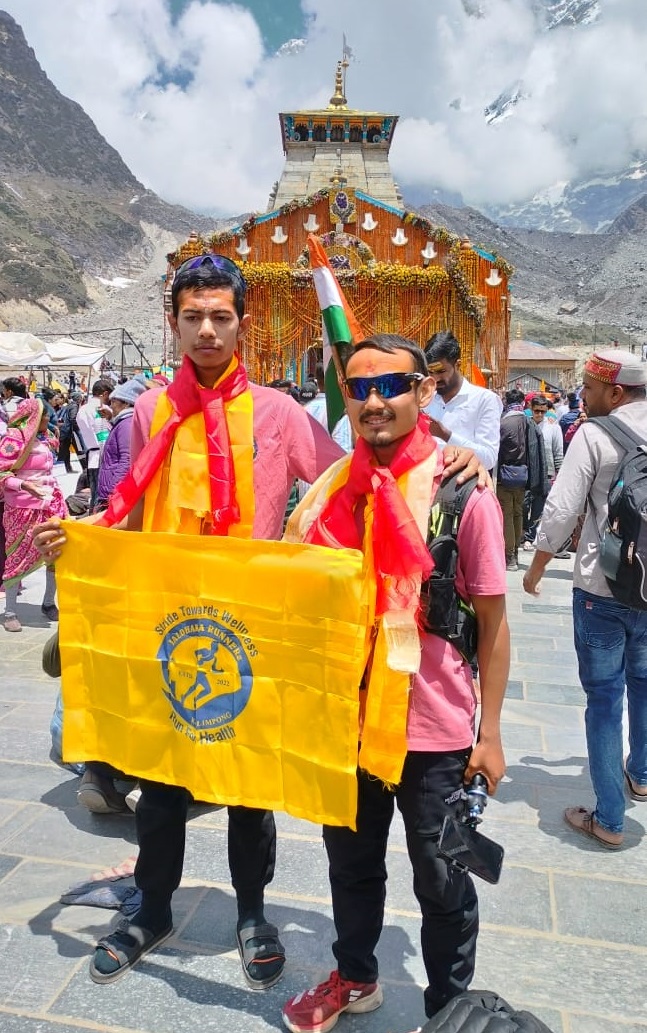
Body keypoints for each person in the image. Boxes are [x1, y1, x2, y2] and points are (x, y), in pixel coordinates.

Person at [35, 256, 483, 991]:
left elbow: (358, 477)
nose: (206, 329)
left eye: (220, 315)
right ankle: (151, 905)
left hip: (249, 633)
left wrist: (445, 454)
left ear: (242, 322)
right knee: (161, 782)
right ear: (172, 323)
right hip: (169, 626)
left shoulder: (279, 414)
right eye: (192, 316)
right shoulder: (150, 412)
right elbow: (131, 514)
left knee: (250, 786)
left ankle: (251, 911)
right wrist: (75, 533)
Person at [282, 333, 509, 1031]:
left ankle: (450, 1006)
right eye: (359, 388)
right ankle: (356, 975)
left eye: (391, 385)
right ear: (345, 398)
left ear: (422, 390)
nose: (374, 400)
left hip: (434, 730)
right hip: (346, 722)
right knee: (349, 867)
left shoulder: (461, 491)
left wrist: (490, 733)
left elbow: (494, 622)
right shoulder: (324, 495)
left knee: (442, 880)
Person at [523, 349, 647, 849]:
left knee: (603, 700)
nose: (584, 398)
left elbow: (561, 509)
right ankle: (639, 773)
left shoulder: (596, 434)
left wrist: (536, 567)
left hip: (602, 589)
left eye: (591, 390)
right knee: (642, 685)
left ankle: (609, 820)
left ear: (615, 393)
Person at [0, 399, 67, 632]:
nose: (49, 419)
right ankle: (10, 611)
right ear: (32, 417)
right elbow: (2, 473)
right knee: (17, 556)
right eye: (45, 415)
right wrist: (25, 486)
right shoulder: (13, 439)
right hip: (22, 508)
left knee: (55, 553)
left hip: (50, 504)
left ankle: (49, 603)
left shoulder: (43, 437)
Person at [423, 330, 502, 472]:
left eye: (441, 372)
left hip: (464, 488)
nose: (435, 379)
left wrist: (445, 435)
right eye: (430, 372)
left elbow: (488, 459)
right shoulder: (426, 400)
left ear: (457, 365)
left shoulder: (485, 400)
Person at [495, 389, 546, 571]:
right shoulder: (530, 424)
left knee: (507, 515)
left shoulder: (503, 423)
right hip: (524, 478)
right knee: (518, 514)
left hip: (505, 478)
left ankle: (509, 557)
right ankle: (514, 552)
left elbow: (496, 453)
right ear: (523, 403)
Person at [95, 378, 148, 510]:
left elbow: (127, 459)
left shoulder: (126, 424)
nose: (111, 405)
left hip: (113, 494)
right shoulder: (124, 423)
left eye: (114, 401)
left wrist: (113, 491)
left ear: (126, 403)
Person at [521, 395, 564, 554]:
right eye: (536, 411)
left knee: (539, 509)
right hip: (528, 473)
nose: (539, 415)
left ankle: (529, 538)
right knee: (524, 505)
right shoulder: (525, 425)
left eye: (542, 412)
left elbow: (558, 453)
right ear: (530, 409)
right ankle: (523, 530)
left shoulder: (553, 427)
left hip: (546, 474)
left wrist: (558, 474)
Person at [75, 380, 113, 511]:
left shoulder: (83, 410)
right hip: (106, 456)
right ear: (105, 394)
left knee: (95, 493)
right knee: (105, 495)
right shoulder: (106, 410)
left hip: (93, 456)